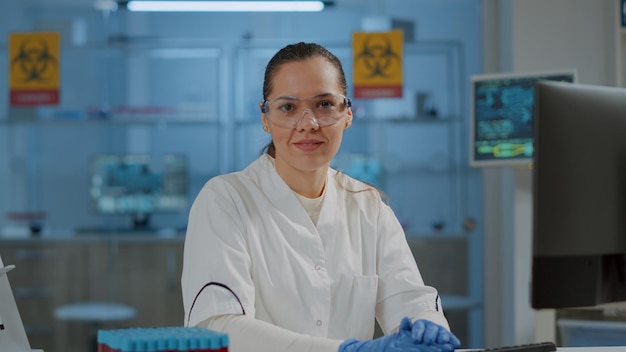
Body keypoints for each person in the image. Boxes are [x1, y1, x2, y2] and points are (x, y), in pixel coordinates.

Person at [181, 42, 461, 352]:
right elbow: (218, 325)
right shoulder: (225, 200)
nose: (308, 124)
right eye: (288, 107)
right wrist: (345, 351)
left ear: (348, 114)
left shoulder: (368, 207)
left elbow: (410, 301)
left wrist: (427, 328)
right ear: (265, 117)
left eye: (324, 104)